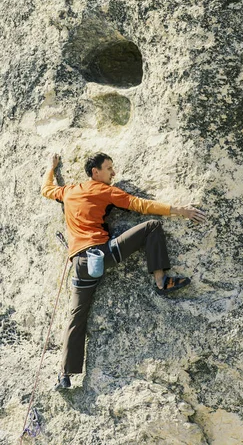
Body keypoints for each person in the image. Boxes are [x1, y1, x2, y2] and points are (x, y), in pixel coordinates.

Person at [41, 152, 206, 389]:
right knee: (151, 227)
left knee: (76, 317)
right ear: (95, 172)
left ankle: (65, 375)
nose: (113, 173)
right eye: (109, 168)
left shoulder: (68, 191)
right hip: (104, 255)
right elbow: (141, 205)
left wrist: (51, 167)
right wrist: (180, 210)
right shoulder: (104, 190)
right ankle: (161, 281)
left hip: (81, 265)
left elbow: (46, 189)